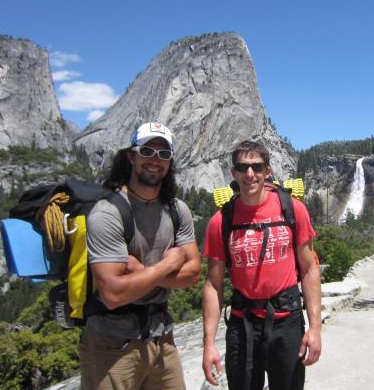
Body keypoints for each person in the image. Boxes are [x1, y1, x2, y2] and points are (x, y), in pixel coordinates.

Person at [79, 121, 201, 390]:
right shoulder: (107, 213)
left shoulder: (176, 209)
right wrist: (167, 265)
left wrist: (140, 272)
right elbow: (113, 295)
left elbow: (193, 273)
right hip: (112, 344)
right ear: (131, 156)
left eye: (163, 154)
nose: (155, 160)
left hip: (162, 338)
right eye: (147, 151)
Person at [202, 140, 322, 390]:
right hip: (242, 324)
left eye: (256, 166)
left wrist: (314, 329)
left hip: (287, 321)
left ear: (267, 171)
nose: (250, 174)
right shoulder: (220, 221)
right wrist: (209, 344)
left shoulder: (293, 210)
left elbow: (310, 269)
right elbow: (213, 285)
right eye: (242, 167)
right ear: (233, 172)